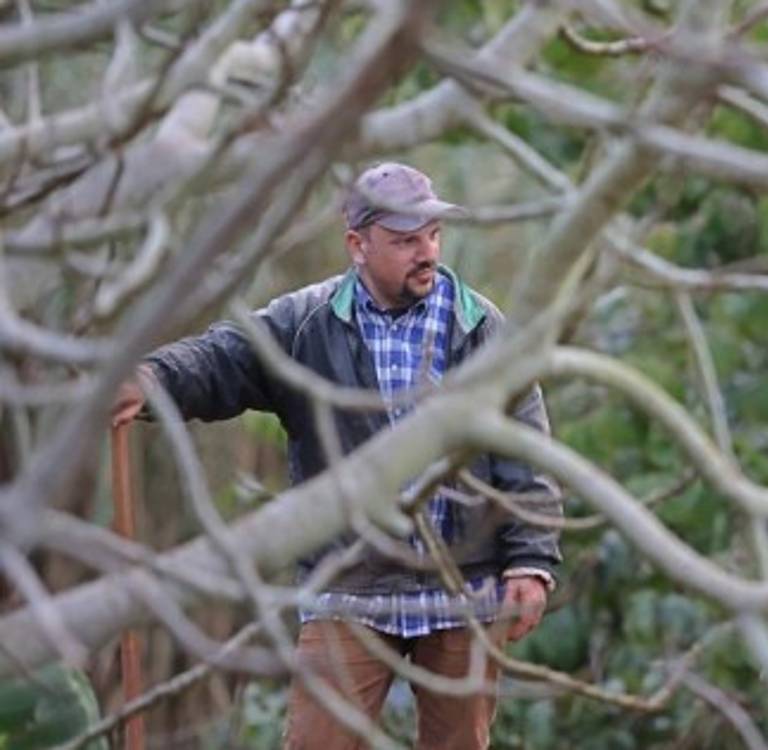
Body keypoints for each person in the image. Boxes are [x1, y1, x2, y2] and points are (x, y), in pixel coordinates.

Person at [110, 162, 562, 750]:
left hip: (463, 586)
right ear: (357, 244)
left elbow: (525, 446)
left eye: (432, 235)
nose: (425, 251)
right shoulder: (306, 324)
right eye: (404, 240)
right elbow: (224, 359)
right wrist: (149, 381)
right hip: (350, 586)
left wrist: (529, 562)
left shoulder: (479, 327)